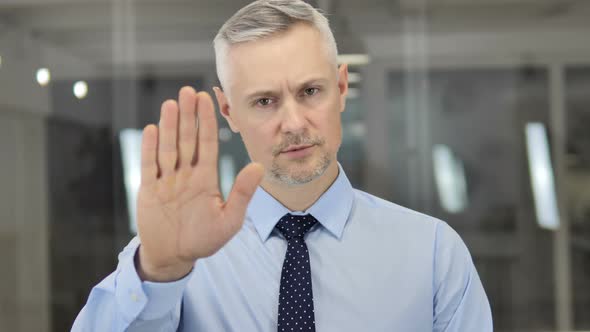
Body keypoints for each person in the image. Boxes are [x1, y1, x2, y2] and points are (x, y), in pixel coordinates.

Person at [72, 0, 493, 331]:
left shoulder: (433, 254)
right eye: (264, 101)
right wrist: (160, 274)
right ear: (228, 111)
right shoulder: (174, 256)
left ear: (342, 88)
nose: (293, 123)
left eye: (310, 91)